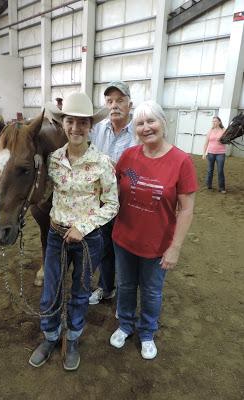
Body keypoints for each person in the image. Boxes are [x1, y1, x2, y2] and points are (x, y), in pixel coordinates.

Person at [29, 92, 119, 371]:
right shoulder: (53, 159)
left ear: (90, 126)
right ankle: (51, 336)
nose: (76, 128)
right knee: (51, 291)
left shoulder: (102, 163)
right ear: (63, 123)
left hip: (88, 239)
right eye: (71, 121)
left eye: (82, 123)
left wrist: (83, 226)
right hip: (56, 235)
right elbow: (44, 193)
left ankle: (74, 338)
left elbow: (112, 203)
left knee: (80, 293)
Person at [110, 100, 198, 360]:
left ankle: (147, 331)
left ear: (163, 122)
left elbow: (187, 209)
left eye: (151, 121)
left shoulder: (181, 161)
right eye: (140, 123)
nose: (146, 127)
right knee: (125, 286)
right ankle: (125, 324)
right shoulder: (128, 157)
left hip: (157, 244)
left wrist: (175, 247)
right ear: (135, 129)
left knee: (151, 291)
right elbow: (118, 187)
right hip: (124, 238)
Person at [88, 80, 136, 305]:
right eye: (110, 101)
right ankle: (106, 288)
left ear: (129, 104)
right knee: (106, 246)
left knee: (128, 250)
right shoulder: (97, 129)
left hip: (131, 200)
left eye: (120, 100)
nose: (114, 105)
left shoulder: (139, 131)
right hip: (104, 201)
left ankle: (127, 296)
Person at [202, 116, 226, 193]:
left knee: (220, 170)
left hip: (221, 153)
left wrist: (222, 140)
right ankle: (209, 185)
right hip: (211, 153)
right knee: (210, 170)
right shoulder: (210, 131)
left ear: (219, 122)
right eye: (213, 121)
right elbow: (206, 143)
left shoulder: (224, 130)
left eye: (215, 121)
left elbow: (227, 141)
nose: (214, 122)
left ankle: (222, 188)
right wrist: (204, 153)